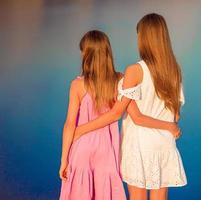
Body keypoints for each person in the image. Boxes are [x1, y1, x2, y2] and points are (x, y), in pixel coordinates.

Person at [59, 30, 179, 200]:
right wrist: (168, 122)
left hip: (81, 148)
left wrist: (64, 160)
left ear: (86, 55)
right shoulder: (120, 80)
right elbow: (133, 114)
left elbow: (69, 124)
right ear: (108, 53)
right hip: (108, 151)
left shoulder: (77, 85)